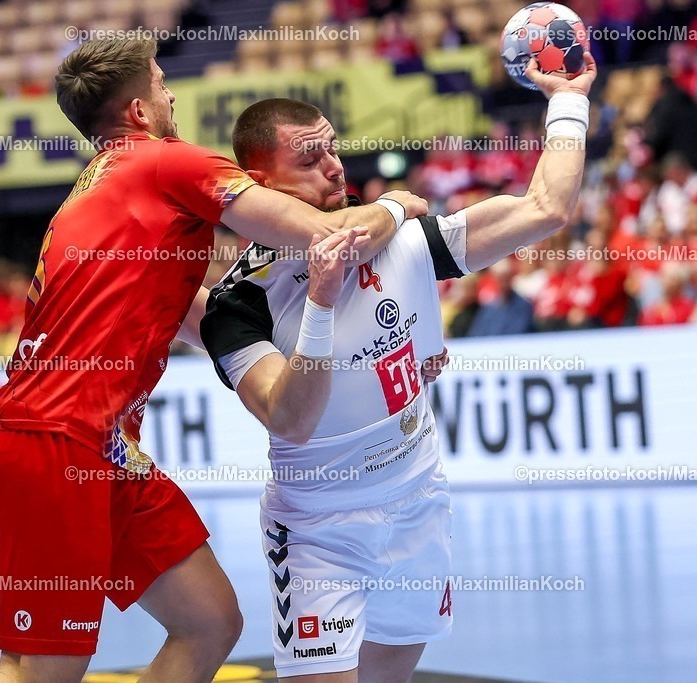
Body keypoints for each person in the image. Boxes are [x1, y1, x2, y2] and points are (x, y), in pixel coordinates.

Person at [0, 37, 428, 683]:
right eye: (161, 84)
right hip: (56, 437)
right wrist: (394, 207)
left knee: (210, 620)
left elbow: (196, 313)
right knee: (40, 671)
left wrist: (270, 338)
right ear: (137, 110)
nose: (171, 94)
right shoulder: (164, 161)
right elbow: (332, 237)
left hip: (105, 447)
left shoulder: (106, 189)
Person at [200, 53, 596, 681]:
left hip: (418, 498)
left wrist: (569, 100)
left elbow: (544, 208)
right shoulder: (239, 303)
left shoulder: (407, 237)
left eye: (332, 150)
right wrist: (323, 307)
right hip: (318, 529)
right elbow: (292, 420)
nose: (333, 167)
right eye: (308, 161)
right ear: (259, 185)